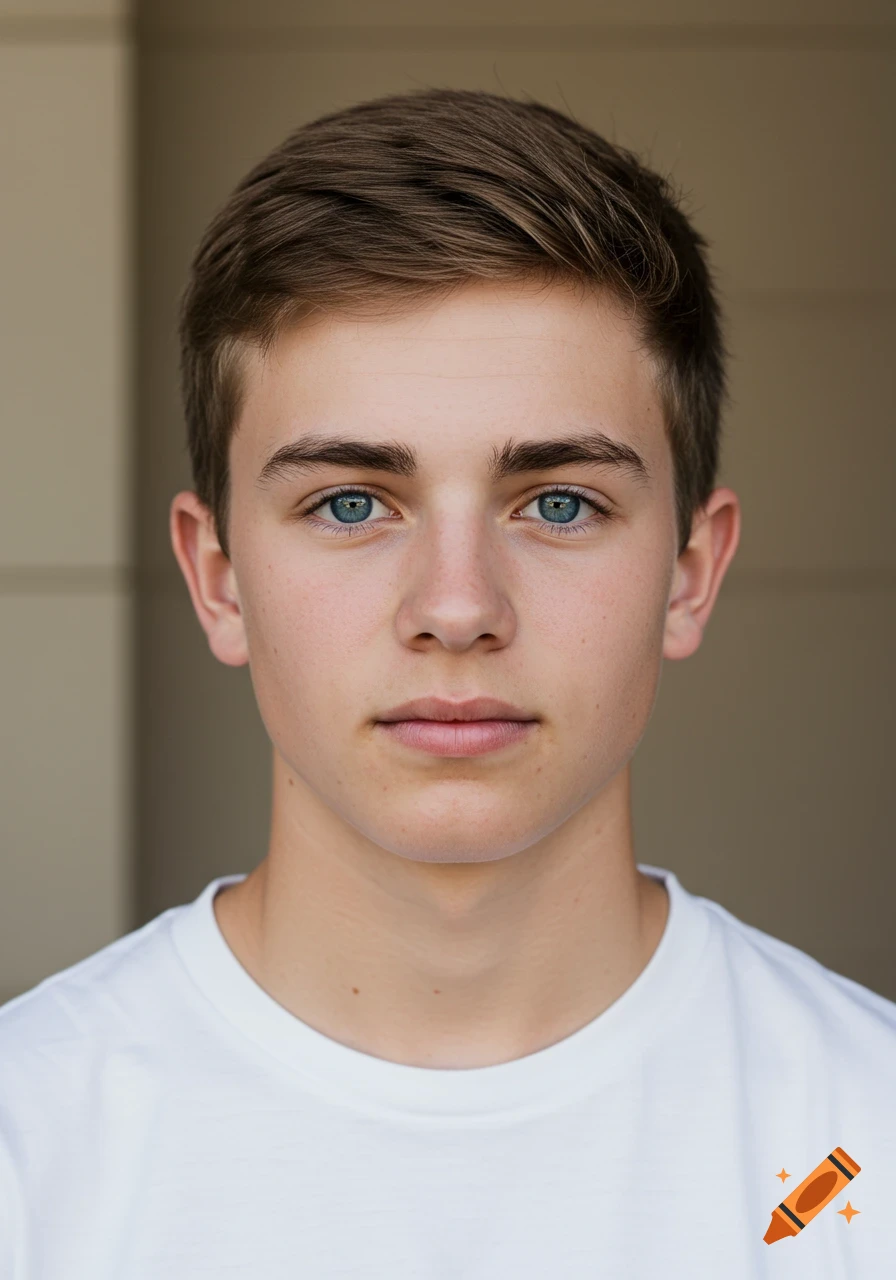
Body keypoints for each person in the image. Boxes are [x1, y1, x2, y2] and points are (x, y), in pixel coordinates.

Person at [0, 88, 893, 1279]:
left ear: (689, 571)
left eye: (559, 502)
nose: (458, 606)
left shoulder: (862, 1138)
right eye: (351, 502)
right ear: (217, 577)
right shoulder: (28, 1149)